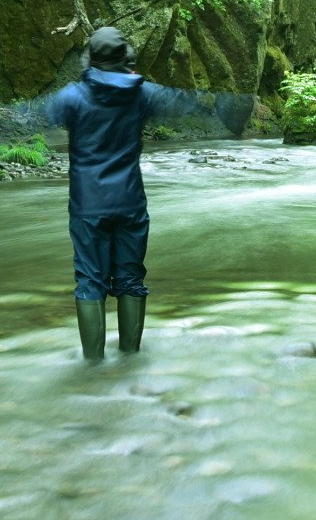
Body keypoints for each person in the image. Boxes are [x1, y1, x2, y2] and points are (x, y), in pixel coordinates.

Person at [41, 26, 227, 361]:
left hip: (88, 204)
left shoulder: (73, 96)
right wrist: (236, 105)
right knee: (130, 278)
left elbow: (36, 115)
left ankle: (94, 366)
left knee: (89, 280)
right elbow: (188, 104)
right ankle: (130, 358)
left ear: (91, 60)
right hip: (130, 202)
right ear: (125, 59)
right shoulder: (143, 94)